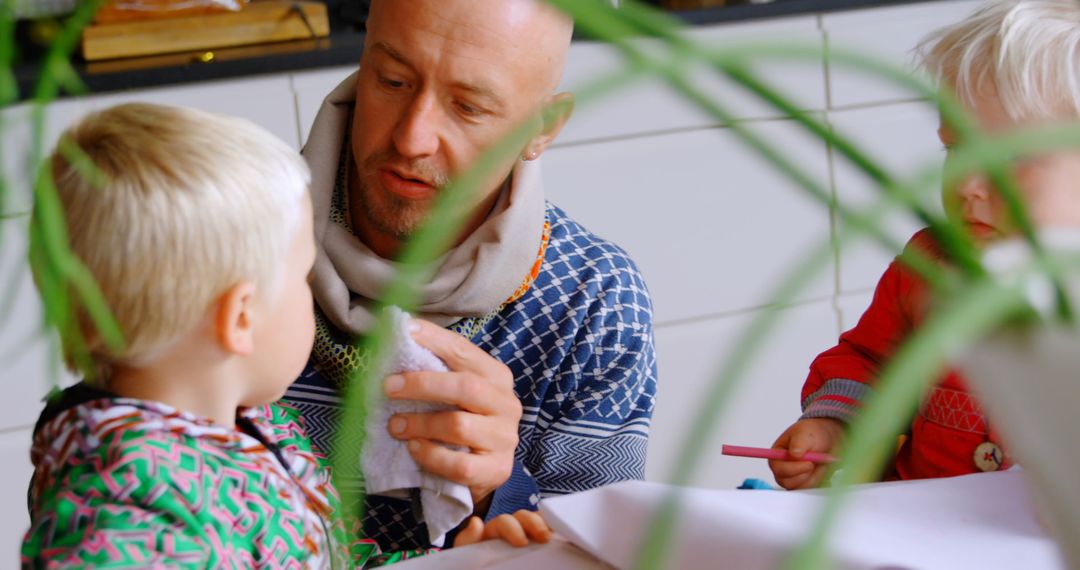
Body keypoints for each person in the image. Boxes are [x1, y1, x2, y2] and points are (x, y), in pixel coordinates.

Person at [20, 102, 550, 567]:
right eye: (303, 276)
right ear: (242, 317)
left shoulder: (258, 426)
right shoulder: (126, 511)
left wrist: (452, 565)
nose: (314, 292)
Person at [284, 0, 658, 550]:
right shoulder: (229, 241)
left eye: (468, 107)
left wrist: (495, 492)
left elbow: (604, 551)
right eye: (392, 80)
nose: (412, 139)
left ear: (542, 128)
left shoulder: (594, 300)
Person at [769, 0, 1080, 490]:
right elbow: (872, 365)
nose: (969, 184)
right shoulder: (929, 265)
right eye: (955, 148)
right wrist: (836, 426)